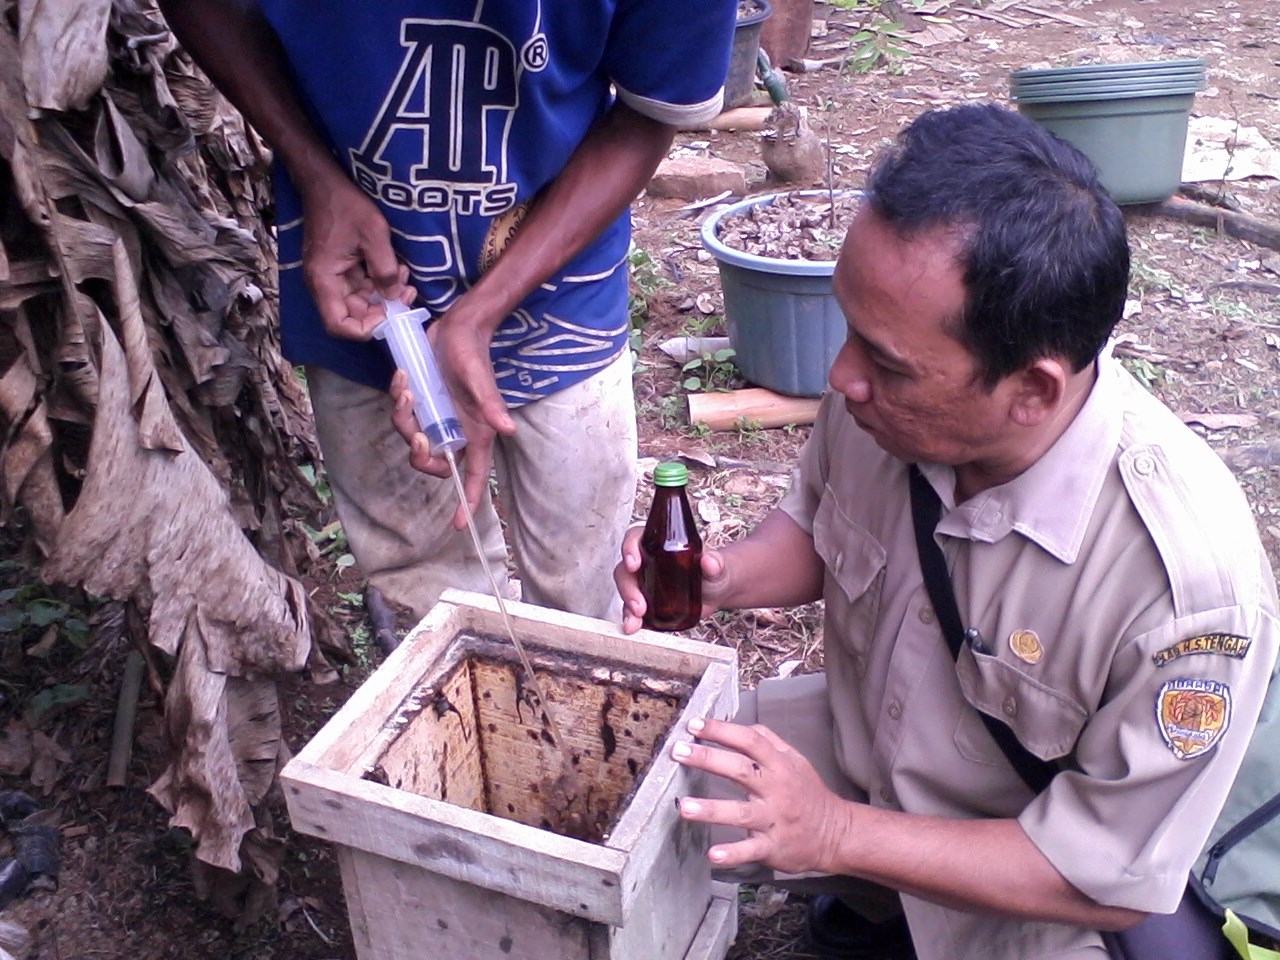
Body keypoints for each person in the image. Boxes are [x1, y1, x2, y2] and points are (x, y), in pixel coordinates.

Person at [615, 103, 1280, 960]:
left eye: (885, 362)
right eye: (848, 328)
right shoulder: (883, 397)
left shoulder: (1184, 585)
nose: (841, 376)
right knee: (638, 780)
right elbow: (820, 528)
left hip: (1036, 875)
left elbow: (1102, 877)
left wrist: (834, 834)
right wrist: (728, 578)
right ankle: (877, 901)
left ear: (1032, 392)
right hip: (872, 749)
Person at [158, 0, 737, 620]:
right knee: (423, 575)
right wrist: (315, 172)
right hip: (361, 276)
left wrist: (478, 312)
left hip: (559, 265)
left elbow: (648, 114)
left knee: (586, 568)